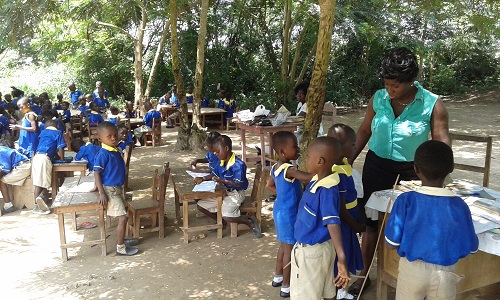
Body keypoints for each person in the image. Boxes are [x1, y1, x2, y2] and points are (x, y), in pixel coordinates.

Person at [348, 47, 451, 295]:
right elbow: (364, 131)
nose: (389, 90)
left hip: (414, 172)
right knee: (372, 223)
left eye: (395, 85)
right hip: (377, 165)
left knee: (410, 224)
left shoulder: (433, 105)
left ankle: (408, 280)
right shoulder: (379, 98)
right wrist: (347, 161)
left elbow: (441, 145)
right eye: (386, 84)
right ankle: (363, 277)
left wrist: (437, 179)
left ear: (411, 81)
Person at [385, 140, 478, 299]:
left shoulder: (405, 201)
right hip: (445, 273)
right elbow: (471, 248)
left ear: (415, 169)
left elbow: (391, 242)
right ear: (451, 169)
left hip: (412, 270)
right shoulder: (459, 206)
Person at [290, 136, 350, 299]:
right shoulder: (319, 180)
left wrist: (342, 257)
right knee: (326, 291)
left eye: (308, 156)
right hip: (322, 249)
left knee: (307, 294)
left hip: (312, 253)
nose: (306, 159)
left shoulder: (327, 190)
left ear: (320, 161)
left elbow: (332, 222)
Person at [266, 131, 312, 298]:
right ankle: (286, 285)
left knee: (283, 246)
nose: (298, 148)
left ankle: (278, 276)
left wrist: (283, 195)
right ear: (283, 152)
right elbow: (308, 177)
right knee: (290, 250)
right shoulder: (289, 170)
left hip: (280, 210)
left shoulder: (275, 167)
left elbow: (269, 185)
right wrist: (324, 169)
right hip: (289, 214)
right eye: (295, 146)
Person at [193, 135, 261, 238]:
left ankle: (249, 222)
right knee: (201, 205)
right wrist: (202, 179)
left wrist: (222, 180)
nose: (216, 154)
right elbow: (214, 174)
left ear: (226, 148)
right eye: (215, 152)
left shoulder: (238, 165)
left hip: (236, 193)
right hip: (224, 193)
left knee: (227, 215)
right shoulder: (221, 162)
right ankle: (221, 222)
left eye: (218, 151)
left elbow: (239, 184)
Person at [327, 124, 365, 300]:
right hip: (345, 225)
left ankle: (342, 291)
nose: (356, 147)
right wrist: (356, 224)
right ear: (340, 148)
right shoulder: (337, 174)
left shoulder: (343, 165)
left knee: (347, 256)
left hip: (350, 222)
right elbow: (341, 209)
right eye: (353, 144)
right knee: (341, 259)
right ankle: (338, 292)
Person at [93, 121, 139, 256]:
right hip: (110, 191)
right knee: (123, 218)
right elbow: (96, 173)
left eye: (115, 135)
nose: (113, 138)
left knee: (124, 215)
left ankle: (122, 240)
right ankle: (120, 248)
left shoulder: (114, 149)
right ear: (100, 139)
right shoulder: (103, 154)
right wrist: (101, 192)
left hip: (117, 188)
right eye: (109, 136)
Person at [31, 120, 66, 213]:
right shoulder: (58, 133)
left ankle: (39, 202)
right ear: (56, 126)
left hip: (36, 157)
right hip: (44, 158)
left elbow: (47, 145)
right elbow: (61, 147)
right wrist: (62, 159)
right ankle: (37, 206)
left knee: (38, 182)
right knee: (41, 183)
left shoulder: (43, 132)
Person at [0, 139, 31, 215]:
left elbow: (5, 169)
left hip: (23, 167)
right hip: (24, 166)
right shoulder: (3, 149)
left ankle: (8, 205)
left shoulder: (0, 151)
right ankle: (8, 205)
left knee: (1, 181)